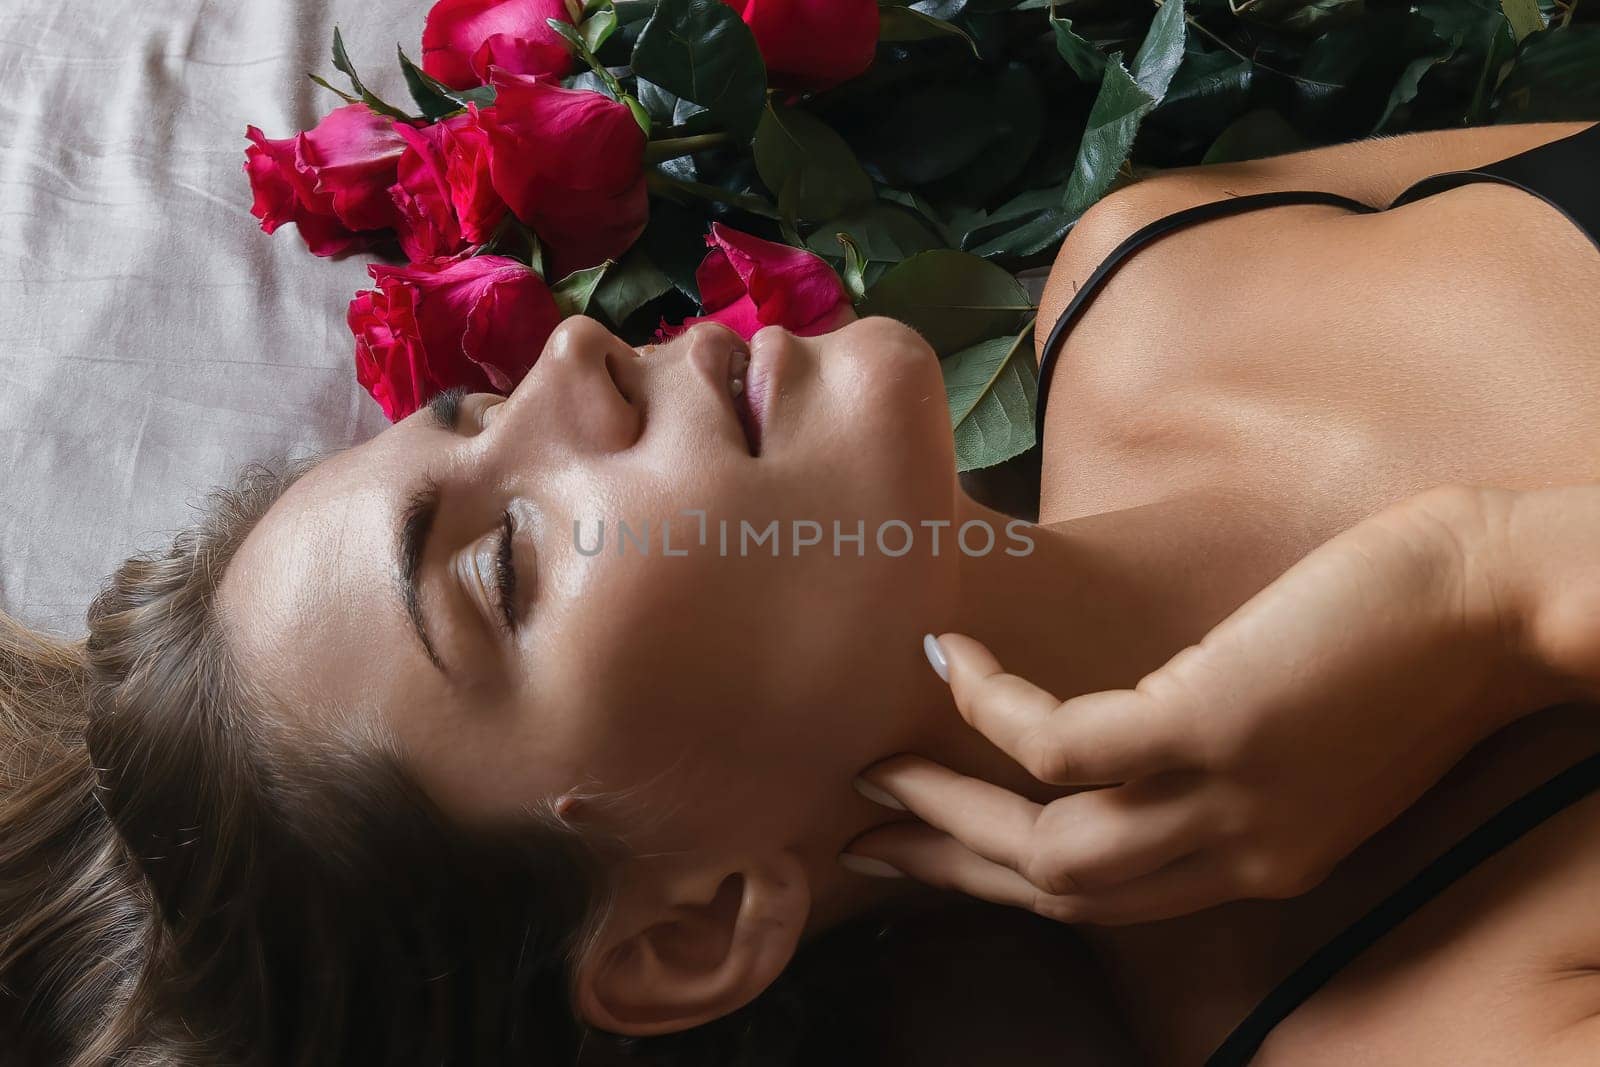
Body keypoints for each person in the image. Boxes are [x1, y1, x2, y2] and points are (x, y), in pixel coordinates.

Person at [2, 118, 1597, 1067]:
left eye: (480, 418)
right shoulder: (1447, 1031)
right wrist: (1494, 597)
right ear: (693, 931)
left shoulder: (1163, 275)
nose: (573, 359)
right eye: (505, 562)